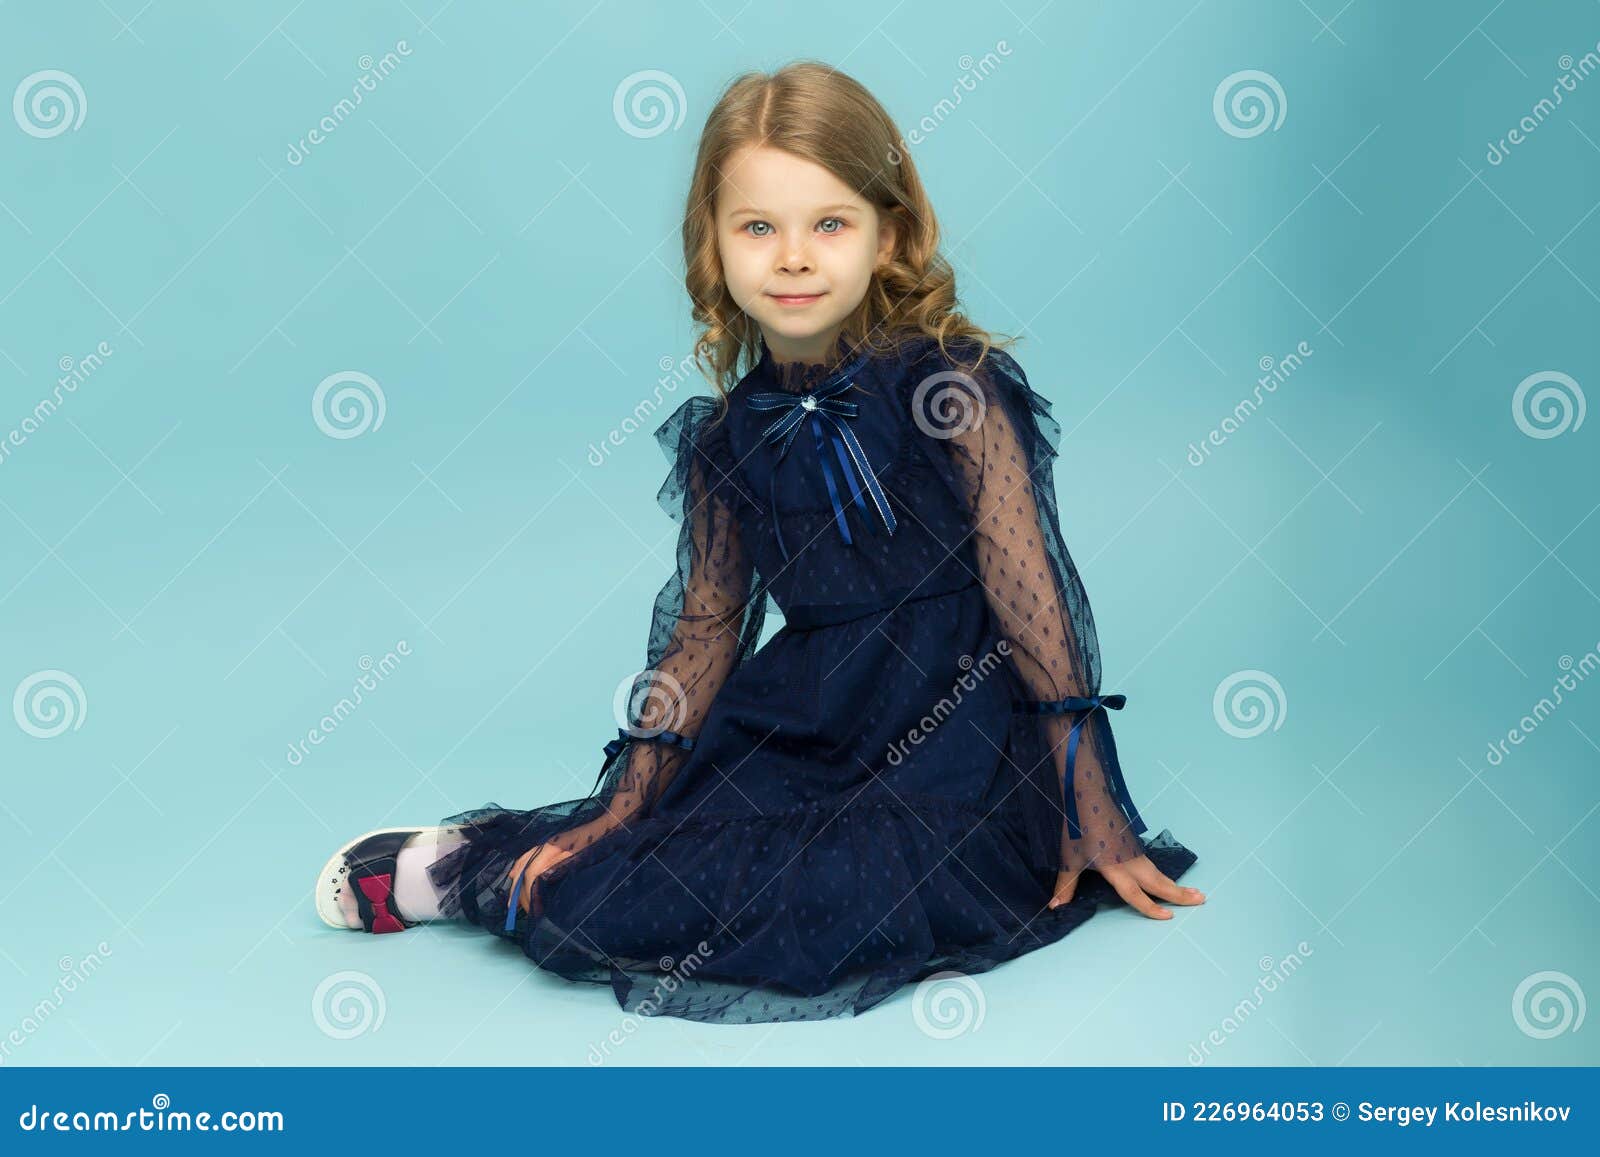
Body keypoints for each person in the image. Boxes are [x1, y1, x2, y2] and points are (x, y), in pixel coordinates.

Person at [312, 60, 1204, 1024]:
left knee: (854, 907)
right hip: (809, 723)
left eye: (830, 223)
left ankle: (469, 871)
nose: (793, 258)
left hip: (955, 736)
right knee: (627, 881)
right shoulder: (725, 438)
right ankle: (457, 869)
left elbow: (1033, 594)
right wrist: (618, 807)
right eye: (758, 228)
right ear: (715, 245)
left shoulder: (954, 393)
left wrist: (1089, 796)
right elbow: (703, 634)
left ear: (888, 234)